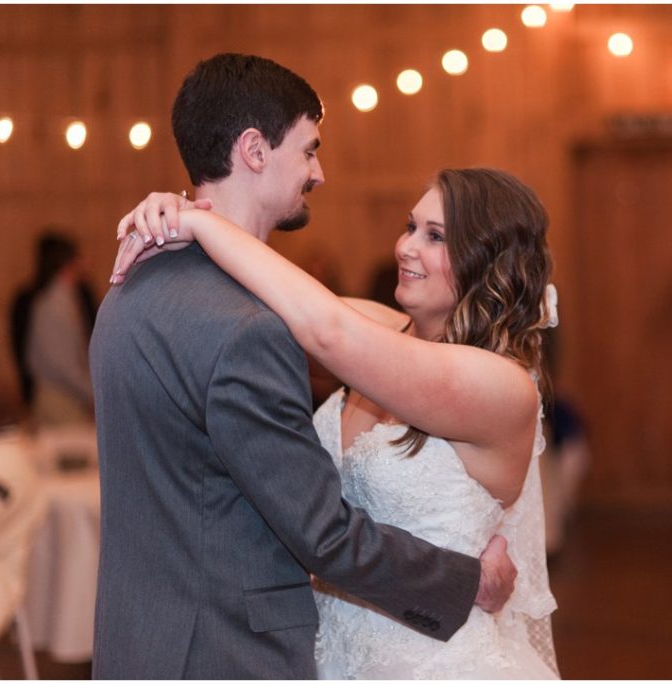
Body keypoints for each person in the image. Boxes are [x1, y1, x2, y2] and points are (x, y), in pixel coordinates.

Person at [89, 54, 515, 680]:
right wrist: (465, 581)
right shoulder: (250, 331)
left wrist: (183, 213)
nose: (318, 172)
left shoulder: (129, 287)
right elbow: (324, 536)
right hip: (226, 654)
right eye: (309, 149)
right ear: (255, 150)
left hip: (140, 642)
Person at [9, 231, 98, 425]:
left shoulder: (66, 299)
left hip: (66, 394)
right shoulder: (53, 304)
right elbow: (63, 364)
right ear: (69, 263)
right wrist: (93, 393)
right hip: (59, 396)